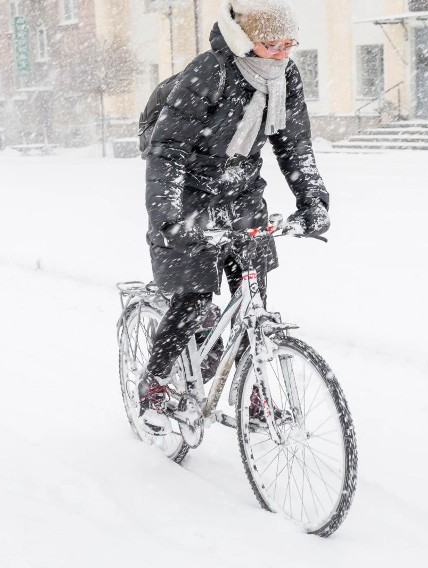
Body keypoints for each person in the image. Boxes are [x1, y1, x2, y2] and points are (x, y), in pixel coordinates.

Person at [139, 0, 331, 434]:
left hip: (244, 198)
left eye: (288, 43)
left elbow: (294, 145)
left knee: (253, 302)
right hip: (190, 199)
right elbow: (167, 151)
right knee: (194, 299)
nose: (282, 52)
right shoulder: (208, 73)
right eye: (270, 44)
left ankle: (257, 394)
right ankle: (153, 386)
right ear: (244, 40)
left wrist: (312, 200)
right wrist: (168, 219)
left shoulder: (286, 76)